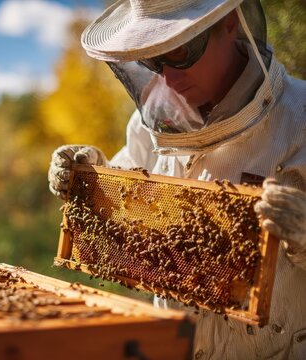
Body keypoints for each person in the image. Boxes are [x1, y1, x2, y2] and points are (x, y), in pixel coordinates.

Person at [47, 0, 306, 358]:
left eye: (181, 51)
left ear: (229, 22)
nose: (167, 78)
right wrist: (88, 173)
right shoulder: (150, 123)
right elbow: (128, 195)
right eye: (154, 59)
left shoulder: (300, 119)